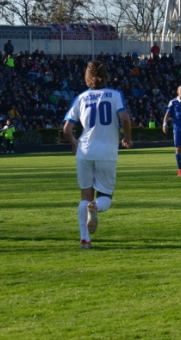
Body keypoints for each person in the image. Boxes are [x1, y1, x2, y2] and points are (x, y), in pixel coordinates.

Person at [63, 61, 133, 249]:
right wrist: (127, 137)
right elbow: (124, 118)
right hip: (106, 152)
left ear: (87, 77)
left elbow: (67, 129)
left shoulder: (81, 98)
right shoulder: (115, 95)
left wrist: (74, 143)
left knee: (84, 195)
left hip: (84, 151)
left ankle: (85, 239)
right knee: (105, 196)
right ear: (106, 75)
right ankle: (97, 206)